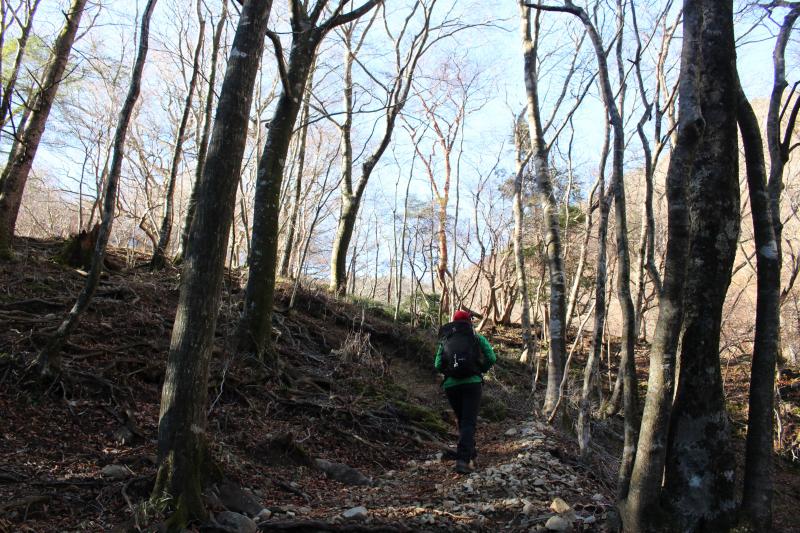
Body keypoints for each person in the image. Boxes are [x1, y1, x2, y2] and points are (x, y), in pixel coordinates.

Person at [434, 310, 497, 474]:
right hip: (472, 384)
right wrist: (479, 370)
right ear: (469, 322)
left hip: (451, 386)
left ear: (454, 323)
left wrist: (450, 373)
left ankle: (471, 454)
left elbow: (437, 364)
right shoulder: (476, 338)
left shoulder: (446, 339)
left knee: (463, 421)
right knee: (468, 422)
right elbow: (491, 358)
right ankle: (462, 460)